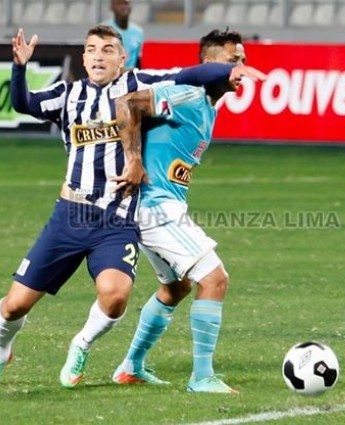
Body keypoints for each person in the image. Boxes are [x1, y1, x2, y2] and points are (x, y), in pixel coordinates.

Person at [0, 24, 264, 390]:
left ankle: (111, 356)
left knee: (143, 293)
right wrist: (19, 68)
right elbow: (26, 103)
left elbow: (183, 73)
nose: (99, 56)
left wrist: (225, 70)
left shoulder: (142, 82)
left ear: (122, 57)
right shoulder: (71, 94)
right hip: (81, 213)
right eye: (92, 49)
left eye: (108, 49)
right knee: (16, 305)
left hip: (119, 216)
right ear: (83, 57)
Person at [63, 30, 265, 394]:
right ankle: (202, 377)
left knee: (175, 287)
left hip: (159, 207)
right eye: (233, 60)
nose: (240, 68)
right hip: (155, 209)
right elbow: (128, 104)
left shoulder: (208, 103)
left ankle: (131, 366)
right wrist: (134, 161)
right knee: (215, 279)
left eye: (243, 60)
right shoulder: (187, 94)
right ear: (209, 64)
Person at [102, 0, 143, 69]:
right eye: (119, 4)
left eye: (126, 3)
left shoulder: (138, 32)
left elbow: (138, 60)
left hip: (132, 74)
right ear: (111, 7)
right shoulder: (103, 30)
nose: (123, 7)